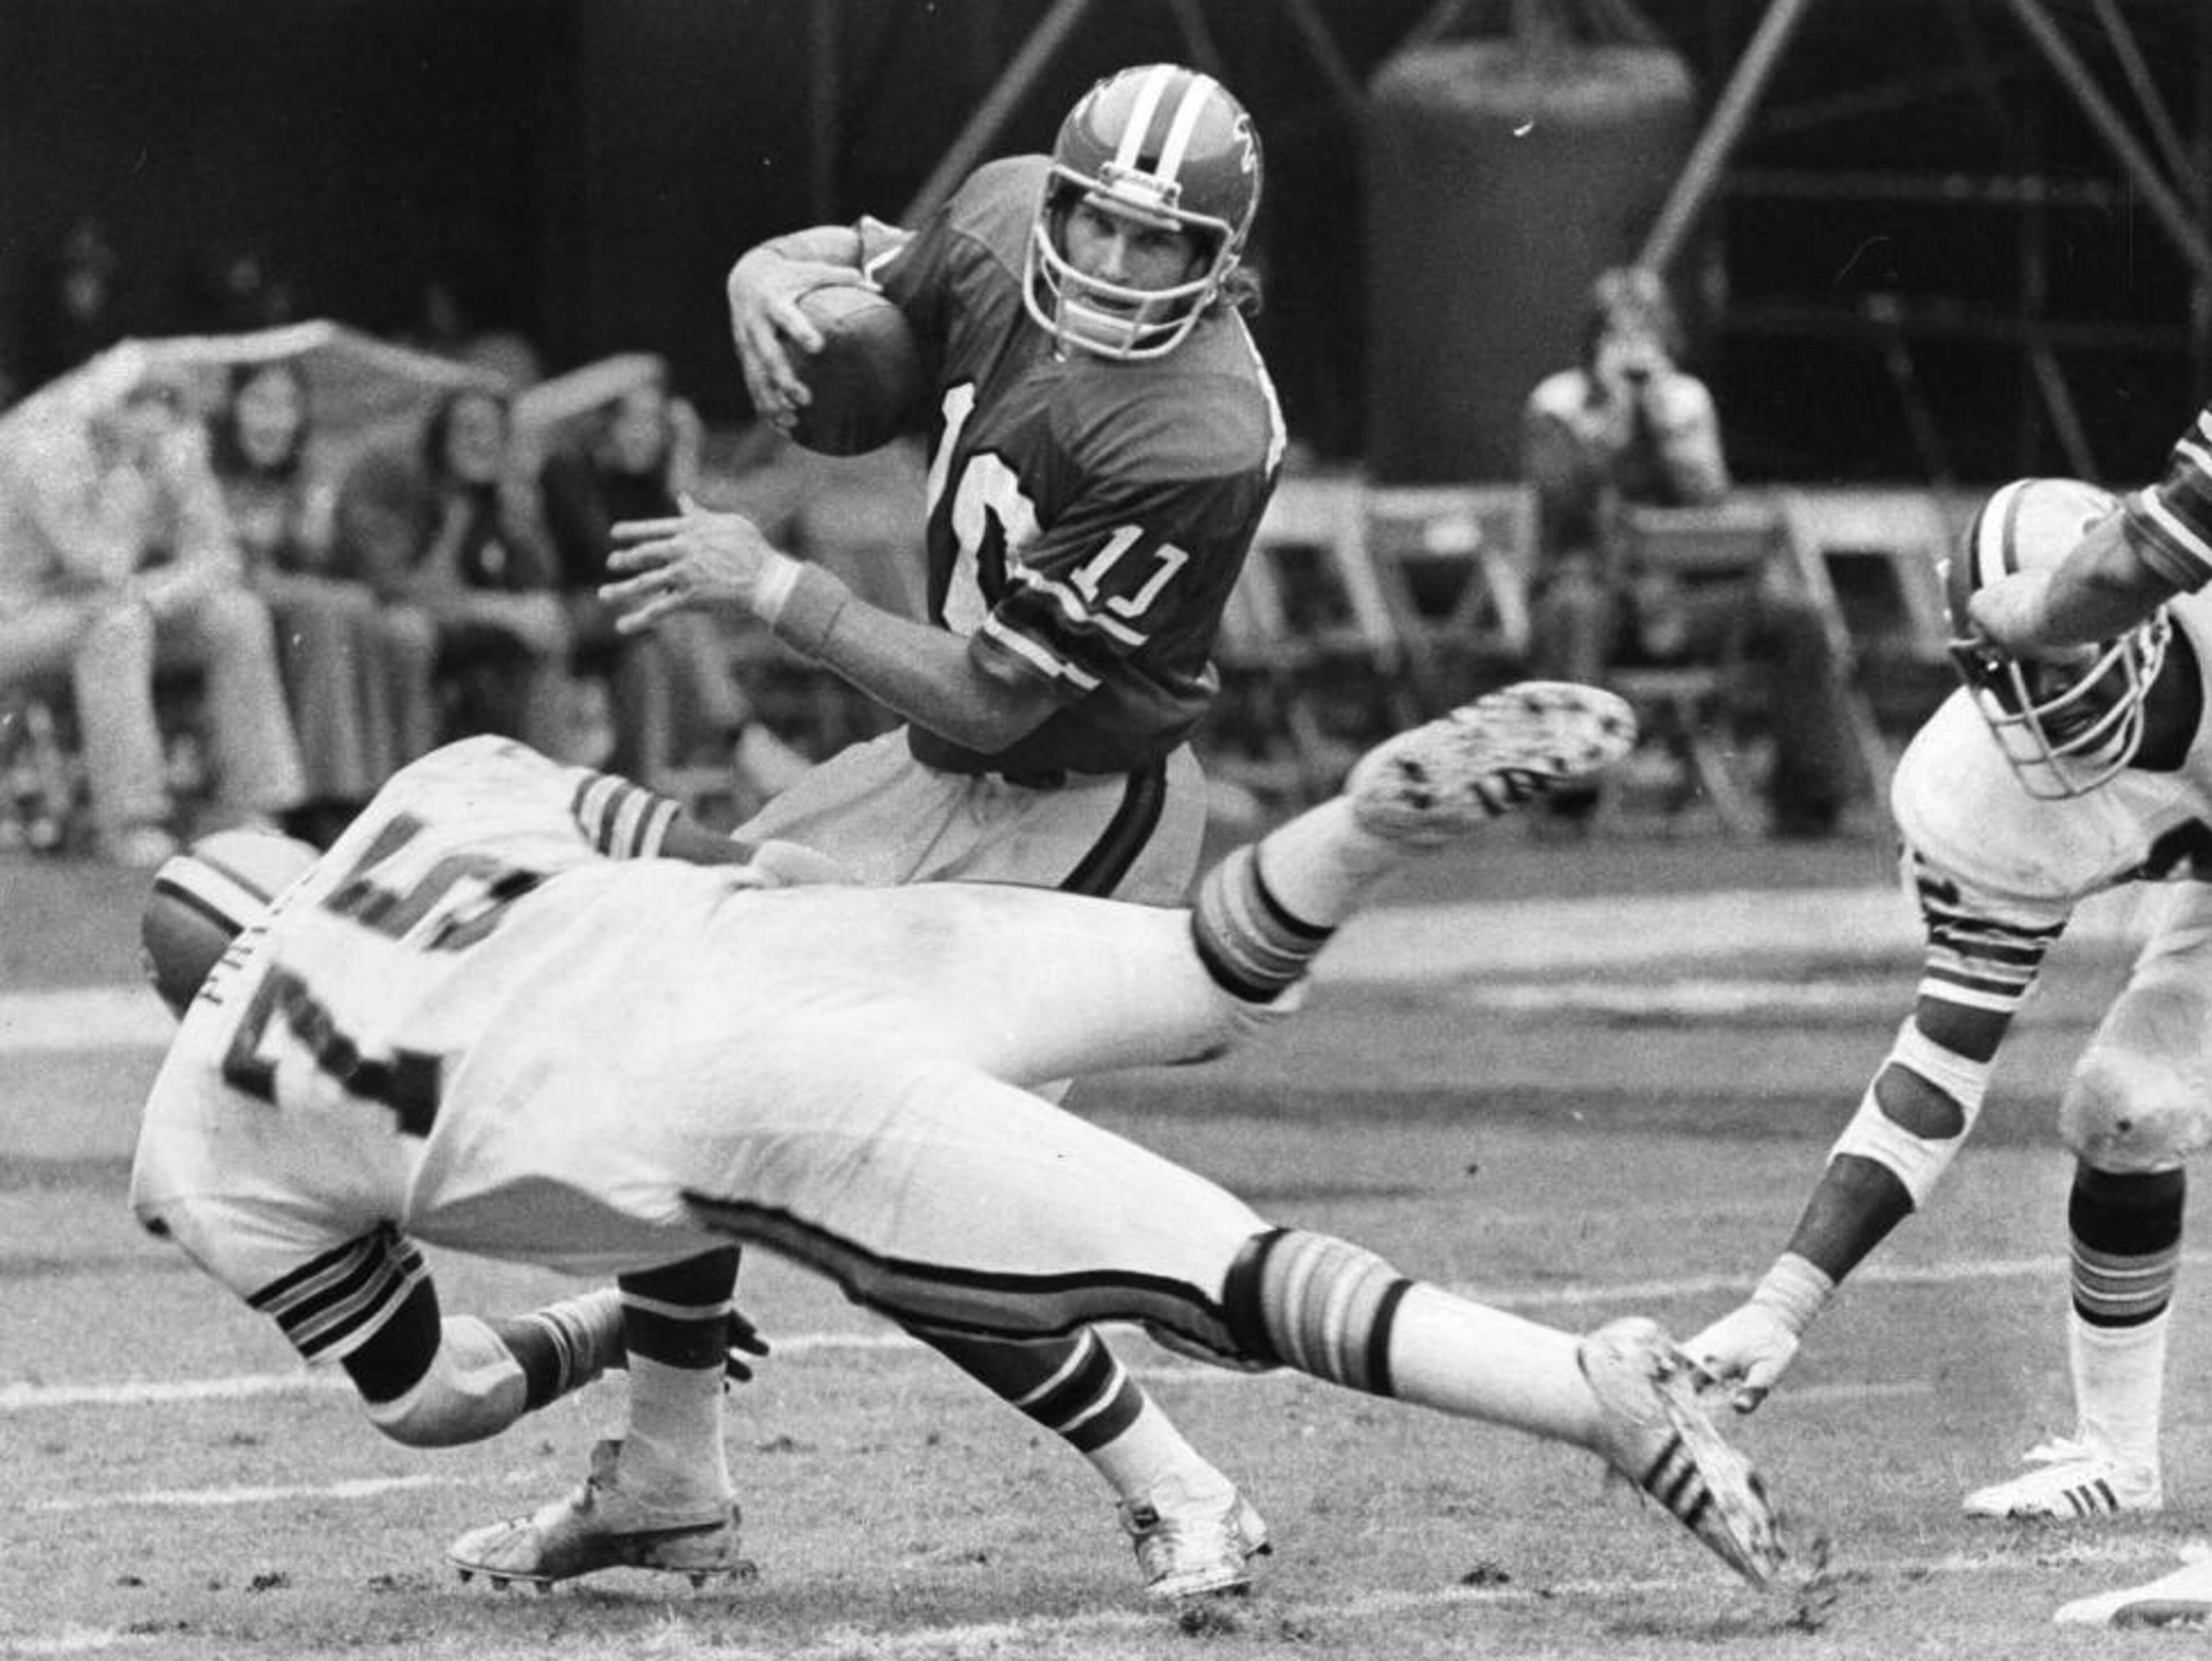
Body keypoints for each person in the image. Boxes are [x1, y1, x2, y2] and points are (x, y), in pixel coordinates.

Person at [129, 680, 1795, 1604]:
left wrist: (599, 1325)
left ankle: (1594, 1394)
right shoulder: (438, 787)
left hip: (745, 1101)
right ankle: (1355, 831)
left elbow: (440, 1396)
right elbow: (745, 858)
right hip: (799, 941)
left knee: (1213, 1270)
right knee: (1196, 976)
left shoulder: (204, 1135)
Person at [569, 63, 1291, 1599]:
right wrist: (763, 271)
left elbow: (995, 703)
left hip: (1078, 799)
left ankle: (1183, 1481)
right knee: (675, 1013)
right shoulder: (1000, 207)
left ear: (1221, 262)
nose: (1107, 261)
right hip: (925, 765)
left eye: (1157, 246)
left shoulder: (1202, 432)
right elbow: (864, 307)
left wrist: (769, 587)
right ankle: (668, 1474)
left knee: (890, 1161)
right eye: (1096, 221)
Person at [1685, 473, 2212, 1626]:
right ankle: (2118, 1461)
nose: (2047, 700)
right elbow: (1939, 1067)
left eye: (2065, 657)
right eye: (2017, 675)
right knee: (2125, 1105)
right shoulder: (1975, 793)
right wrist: (1783, 1303)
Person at [1521, 264, 1857, 837]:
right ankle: (1569, 802)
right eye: (1617, 335)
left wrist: (1664, 426)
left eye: (1645, 334)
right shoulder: (1559, 404)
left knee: (1797, 618)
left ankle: (1813, 802)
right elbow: (1564, 504)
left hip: (1682, 599)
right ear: (1592, 341)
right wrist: (1614, 422)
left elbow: (1709, 504)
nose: (1632, 351)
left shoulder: (1685, 402)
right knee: (1575, 608)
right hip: (1599, 600)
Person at [0, 364, 305, 865]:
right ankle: (132, 823)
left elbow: (219, 556)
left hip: (100, 610)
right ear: (103, 400)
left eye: (167, 401)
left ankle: (256, 810)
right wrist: (133, 478)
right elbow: (100, 563)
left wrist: (156, 592)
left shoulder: (174, 449)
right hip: (19, 618)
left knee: (237, 615)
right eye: (138, 401)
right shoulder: (49, 448)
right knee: (118, 625)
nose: (154, 415)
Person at [536, 368, 810, 800]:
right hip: (576, 608)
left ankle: (702, 755)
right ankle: (741, 739)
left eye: (657, 424)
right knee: (673, 608)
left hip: (633, 611)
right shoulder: (568, 469)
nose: (647, 435)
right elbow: (604, 557)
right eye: (635, 420)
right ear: (607, 423)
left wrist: (684, 453)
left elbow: (686, 548)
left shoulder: (646, 480)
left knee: (674, 615)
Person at [208, 358, 441, 842]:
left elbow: (348, 565)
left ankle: (392, 790)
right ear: (233, 409)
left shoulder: (307, 479)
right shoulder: (209, 474)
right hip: (230, 612)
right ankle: (329, 798)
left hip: (307, 609)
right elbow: (244, 575)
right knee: (326, 614)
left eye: (287, 405)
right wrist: (330, 589)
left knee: (387, 624)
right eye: (260, 403)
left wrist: (322, 529)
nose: (273, 419)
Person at [332, 384, 571, 759]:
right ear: (440, 433)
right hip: (377, 611)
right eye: (469, 428)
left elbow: (538, 581)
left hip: (458, 617)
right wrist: (495, 608)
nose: (483, 442)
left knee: (547, 624)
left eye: (494, 431)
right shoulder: (396, 473)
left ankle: (539, 781)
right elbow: (385, 580)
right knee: (410, 633)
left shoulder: (497, 493)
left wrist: (517, 506)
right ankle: (410, 780)